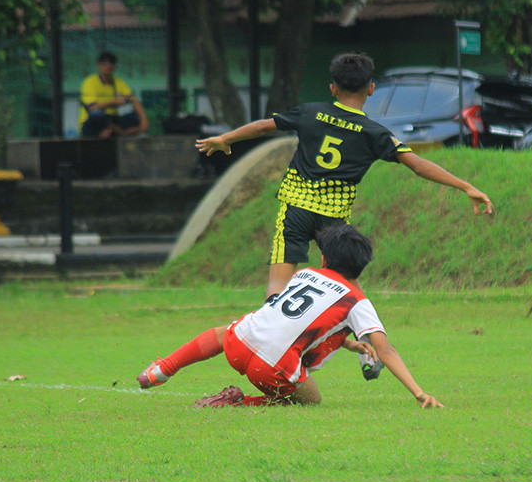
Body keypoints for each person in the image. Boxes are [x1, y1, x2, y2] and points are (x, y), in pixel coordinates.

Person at [195, 52, 494, 301]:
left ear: (332, 88)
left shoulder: (311, 112)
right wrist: (465, 186)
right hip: (333, 218)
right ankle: (370, 339)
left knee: (277, 285)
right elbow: (416, 164)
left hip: (296, 209)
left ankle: (273, 335)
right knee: (349, 285)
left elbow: (264, 126)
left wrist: (226, 139)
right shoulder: (374, 133)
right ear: (371, 89)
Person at [137, 224, 444, 409]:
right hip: (271, 368)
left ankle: (162, 369)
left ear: (323, 258)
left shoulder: (305, 274)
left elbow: (298, 319)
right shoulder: (357, 301)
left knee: (224, 331)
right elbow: (385, 350)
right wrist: (419, 393)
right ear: (361, 268)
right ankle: (239, 403)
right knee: (312, 400)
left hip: (240, 344)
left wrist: (349, 344)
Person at [78, 51, 149, 138]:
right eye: (104, 63)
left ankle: (132, 134)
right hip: (93, 122)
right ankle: (116, 133)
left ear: (115, 66)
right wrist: (113, 102)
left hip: (112, 120)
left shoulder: (118, 82)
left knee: (133, 116)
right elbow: (92, 108)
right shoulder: (90, 82)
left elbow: (134, 100)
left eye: (111, 63)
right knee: (98, 114)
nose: (108, 65)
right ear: (98, 65)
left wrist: (144, 120)